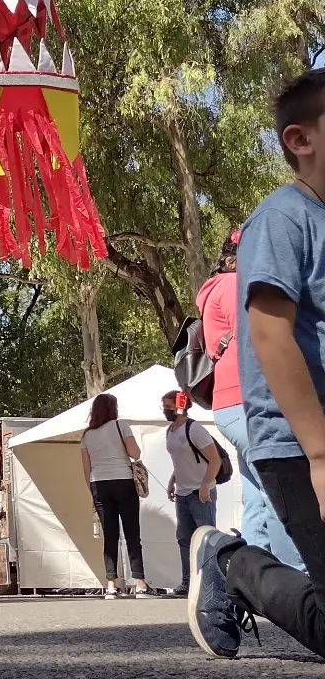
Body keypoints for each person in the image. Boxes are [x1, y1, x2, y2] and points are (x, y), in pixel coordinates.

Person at [188, 70, 325, 659]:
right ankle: (231, 560)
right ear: (301, 140)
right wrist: (319, 451)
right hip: (298, 446)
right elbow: (269, 332)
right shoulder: (283, 218)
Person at [198, 230, 303, 570]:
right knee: (281, 487)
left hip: (229, 405)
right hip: (247, 401)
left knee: (258, 492)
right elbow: (258, 338)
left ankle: (253, 579)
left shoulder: (216, 288)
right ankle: (295, 575)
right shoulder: (232, 287)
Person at [79, 394, 149, 598]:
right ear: (113, 408)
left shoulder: (86, 435)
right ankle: (140, 582)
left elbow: (86, 468)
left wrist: (91, 493)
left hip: (98, 485)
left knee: (110, 536)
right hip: (123, 481)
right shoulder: (121, 426)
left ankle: (111, 584)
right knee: (132, 533)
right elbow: (135, 453)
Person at [162, 390, 222, 595]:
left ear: (180, 406)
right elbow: (179, 461)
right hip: (183, 492)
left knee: (206, 537)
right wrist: (172, 481)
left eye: (168, 406)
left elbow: (215, 459)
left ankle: (212, 581)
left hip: (200, 491)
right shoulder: (170, 431)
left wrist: (206, 484)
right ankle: (187, 582)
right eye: (163, 407)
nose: (165, 411)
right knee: (184, 538)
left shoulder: (194, 429)